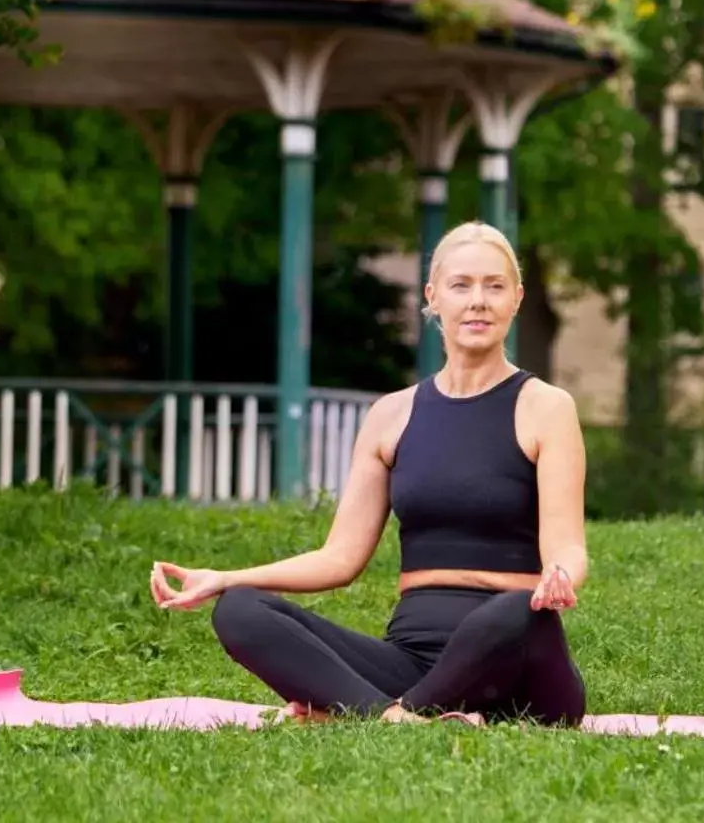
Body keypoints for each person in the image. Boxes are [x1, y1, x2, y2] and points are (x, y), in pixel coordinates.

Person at [148, 221, 589, 726]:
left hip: (518, 668)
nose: (478, 301)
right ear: (433, 297)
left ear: (516, 299)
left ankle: (385, 714)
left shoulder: (547, 408)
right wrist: (225, 578)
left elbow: (567, 546)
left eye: (495, 286)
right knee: (241, 610)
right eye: (461, 285)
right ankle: (398, 716)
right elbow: (339, 557)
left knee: (516, 613)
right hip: (411, 663)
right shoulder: (390, 415)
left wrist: (561, 575)